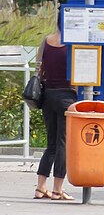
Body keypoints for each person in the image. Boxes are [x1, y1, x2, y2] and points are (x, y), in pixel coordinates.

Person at [34, 15, 78, 201]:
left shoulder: (46, 41)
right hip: (66, 97)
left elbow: (38, 66)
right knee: (63, 144)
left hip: (47, 96)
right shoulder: (73, 44)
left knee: (51, 144)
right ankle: (57, 189)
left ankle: (40, 187)